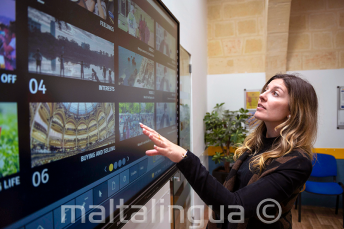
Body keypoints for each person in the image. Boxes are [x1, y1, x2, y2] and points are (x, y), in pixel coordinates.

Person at [140, 74, 318, 228]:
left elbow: (235, 206)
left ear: (293, 111)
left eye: (275, 93)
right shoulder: (255, 146)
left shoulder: (297, 161)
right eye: (265, 89)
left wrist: (184, 158)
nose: (262, 96)